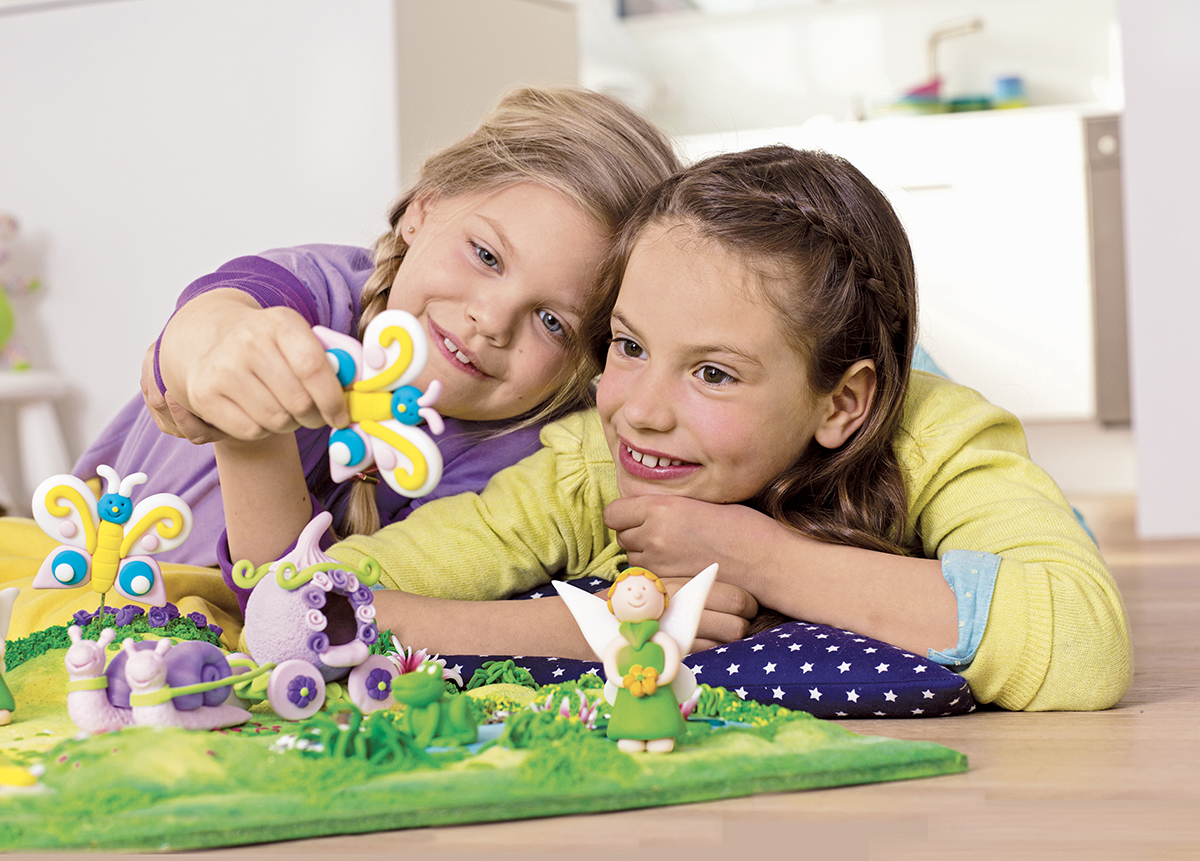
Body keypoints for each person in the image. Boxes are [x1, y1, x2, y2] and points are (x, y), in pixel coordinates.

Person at [232, 145, 1130, 712]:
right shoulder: (590, 461)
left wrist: (756, 556)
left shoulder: (939, 437)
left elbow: (1084, 644)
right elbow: (294, 604)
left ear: (843, 404)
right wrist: (580, 629)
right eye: (628, 346)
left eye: (712, 373)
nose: (641, 409)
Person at [72, 86, 680, 578]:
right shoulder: (318, 288)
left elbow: (297, 606)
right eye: (486, 256)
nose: (492, 322)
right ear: (423, 209)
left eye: (552, 322)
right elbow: (208, 322)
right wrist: (209, 350)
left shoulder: (514, 462)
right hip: (88, 577)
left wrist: (251, 439)